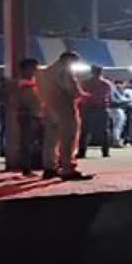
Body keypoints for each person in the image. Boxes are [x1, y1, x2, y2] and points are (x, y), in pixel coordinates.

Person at [37, 52, 92, 180]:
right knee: (69, 138)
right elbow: (72, 90)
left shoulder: (45, 72)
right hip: (64, 107)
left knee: (51, 140)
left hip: (49, 107)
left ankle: (49, 168)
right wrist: (83, 95)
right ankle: (68, 168)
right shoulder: (65, 71)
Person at [7, 58, 43, 176]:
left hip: (36, 114)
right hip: (27, 115)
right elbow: (16, 101)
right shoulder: (20, 84)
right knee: (26, 142)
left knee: (33, 142)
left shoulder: (34, 83)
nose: (36, 70)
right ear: (26, 69)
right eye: (34, 68)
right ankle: (26, 168)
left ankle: (31, 166)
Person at [78, 65, 112, 159]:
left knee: (85, 131)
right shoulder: (106, 83)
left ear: (91, 72)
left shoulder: (85, 83)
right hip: (102, 108)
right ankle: (105, 152)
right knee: (104, 131)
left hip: (88, 108)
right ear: (101, 72)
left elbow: (81, 95)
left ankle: (82, 152)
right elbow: (108, 96)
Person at [109, 79, 129, 147]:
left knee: (118, 125)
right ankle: (116, 141)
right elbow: (115, 101)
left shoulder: (116, 90)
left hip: (116, 109)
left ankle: (116, 140)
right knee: (118, 126)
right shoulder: (113, 89)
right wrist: (126, 101)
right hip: (116, 108)